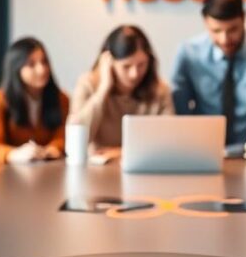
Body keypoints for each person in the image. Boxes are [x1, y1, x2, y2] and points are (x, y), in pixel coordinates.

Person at [170, 0, 246, 153]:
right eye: (216, 30)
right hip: (201, 151)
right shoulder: (189, 53)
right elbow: (179, 111)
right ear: (205, 23)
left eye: (233, 29)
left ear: (244, 18)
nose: (224, 39)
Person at [69, 24, 174, 159]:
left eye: (141, 64)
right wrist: (103, 89)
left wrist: (120, 152)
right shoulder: (88, 84)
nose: (134, 74)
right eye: (126, 66)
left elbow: (169, 143)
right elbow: (76, 140)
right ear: (109, 62)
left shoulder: (160, 90)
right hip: (96, 173)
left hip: (144, 173)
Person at [0, 37, 70, 173]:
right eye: (31, 64)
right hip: (7, 176)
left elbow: (62, 136)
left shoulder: (62, 98)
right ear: (16, 69)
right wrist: (15, 154)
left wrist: (51, 150)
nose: (42, 69)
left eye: (44, 62)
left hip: (47, 174)